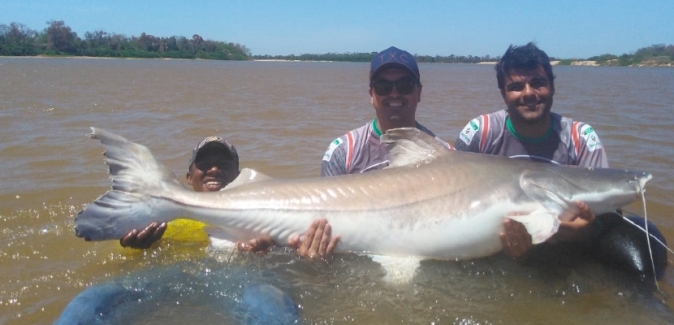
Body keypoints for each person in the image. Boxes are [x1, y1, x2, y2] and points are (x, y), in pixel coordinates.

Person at [454, 42, 667, 277]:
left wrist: (583, 232)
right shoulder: (480, 132)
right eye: (516, 86)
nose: (528, 93)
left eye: (538, 83)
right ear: (503, 94)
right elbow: (449, 185)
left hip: (566, 250)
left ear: (552, 87)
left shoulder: (580, 137)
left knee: (642, 235)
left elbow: (607, 216)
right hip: (493, 244)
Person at [121, 136, 339, 258]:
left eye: (224, 165)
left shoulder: (261, 218)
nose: (214, 169)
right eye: (205, 164)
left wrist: (265, 255)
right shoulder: (164, 218)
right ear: (189, 177)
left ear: (239, 177)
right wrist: (135, 243)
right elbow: (125, 246)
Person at [321, 46, 451, 176]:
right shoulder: (343, 153)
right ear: (371, 94)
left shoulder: (448, 157)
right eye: (383, 86)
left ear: (419, 92)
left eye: (404, 85)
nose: (394, 94)